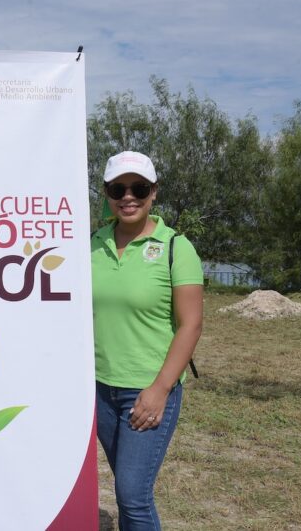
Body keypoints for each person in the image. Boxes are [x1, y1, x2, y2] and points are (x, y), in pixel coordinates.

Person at [91, 151, 203, 531]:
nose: (128, 197)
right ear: (106, 193)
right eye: (117, 189)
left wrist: (159, 389)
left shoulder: (176, 247)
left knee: (133, 496)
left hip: (148, 390)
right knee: (127, 489)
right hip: (99, 390)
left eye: (138, 188)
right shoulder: (90, 245)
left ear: (153, 192)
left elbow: (191, 325)